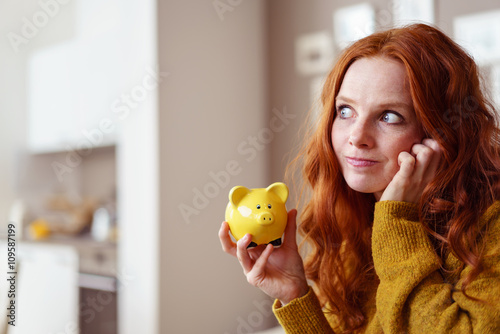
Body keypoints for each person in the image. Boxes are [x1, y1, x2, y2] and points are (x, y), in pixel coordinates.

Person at [219, 23, 500, 333]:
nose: (357, 137)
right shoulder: (355, 218)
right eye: (345, 111)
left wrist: (396, 223)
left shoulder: (491, 224)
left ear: (441, 134)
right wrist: (294, 294)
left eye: (389, 116)